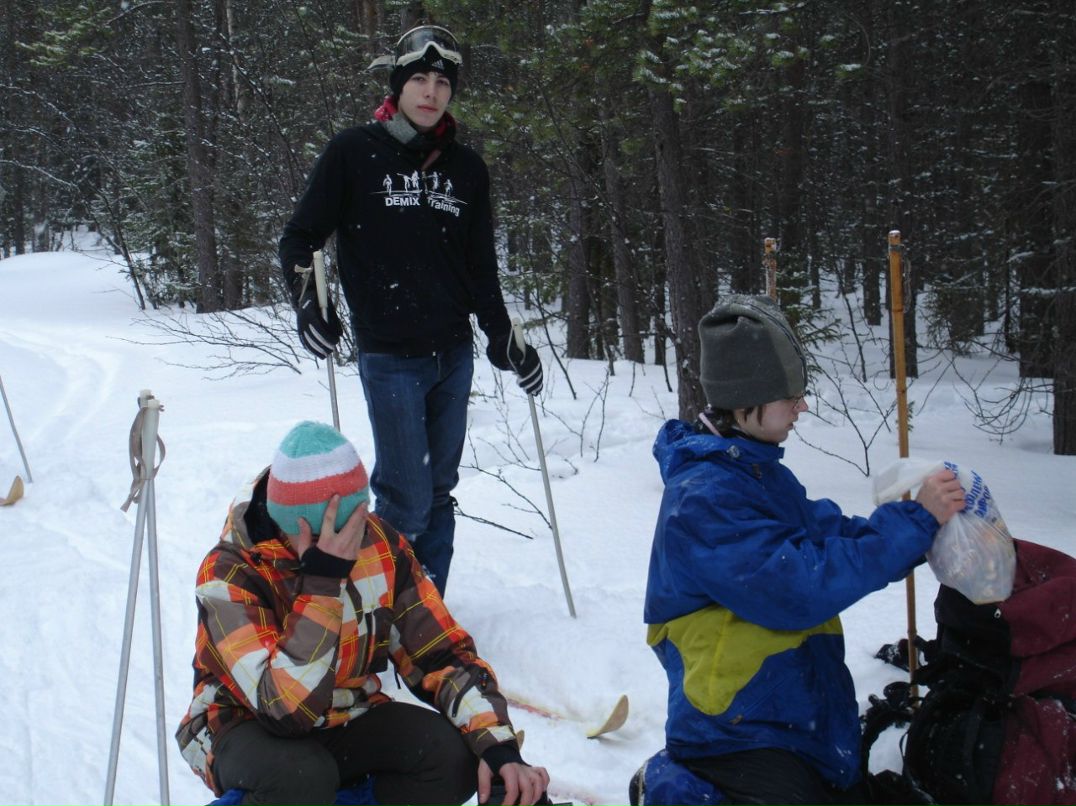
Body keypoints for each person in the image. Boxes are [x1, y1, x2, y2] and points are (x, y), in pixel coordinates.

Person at [632, 295, 966, 806]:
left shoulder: (755, 473)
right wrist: (915, 523)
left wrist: (920, 532)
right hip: (733, 730)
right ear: (747, 401)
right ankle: (674, 787)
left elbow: (825, 533)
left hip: (791, 711)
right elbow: (798, 586)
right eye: (790, 394)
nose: (801, 406)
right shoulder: (703, 499)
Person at [278, 24, 542, 597]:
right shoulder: (355, 152)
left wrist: (504, 339)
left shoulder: (467, 168)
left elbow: (479, 269)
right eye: (418, 79)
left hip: (452, 355)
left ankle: (427, 615)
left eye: (442, 81)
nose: (431, 91)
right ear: (397, 86)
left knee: (440, 488)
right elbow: (299, 238)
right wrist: (309, 303)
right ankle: (383, 614)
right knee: (404, 497)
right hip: (391, 355)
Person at [176, 421, 551, 806]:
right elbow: (283, 712)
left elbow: (442, 654)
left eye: (353, 528)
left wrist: (500, 747)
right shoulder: (230, 573)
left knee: (451, 758)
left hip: (344, 713)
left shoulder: (377, 542)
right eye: (326, 535)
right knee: (301, 778)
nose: (346, 547)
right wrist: (321, 587)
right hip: (242, 724)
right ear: (288, 525)